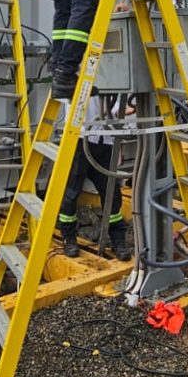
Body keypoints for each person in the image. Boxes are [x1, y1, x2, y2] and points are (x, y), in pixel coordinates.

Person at [57, 91, 132, 260]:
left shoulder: (111, 75)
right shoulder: (75, 71)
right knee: (70, 194)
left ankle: (118, 241)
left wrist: (125, 109)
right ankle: (69, 238)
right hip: (79, 140)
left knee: (111, 194)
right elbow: (65, 96)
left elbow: (114, 106)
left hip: (104, 142)